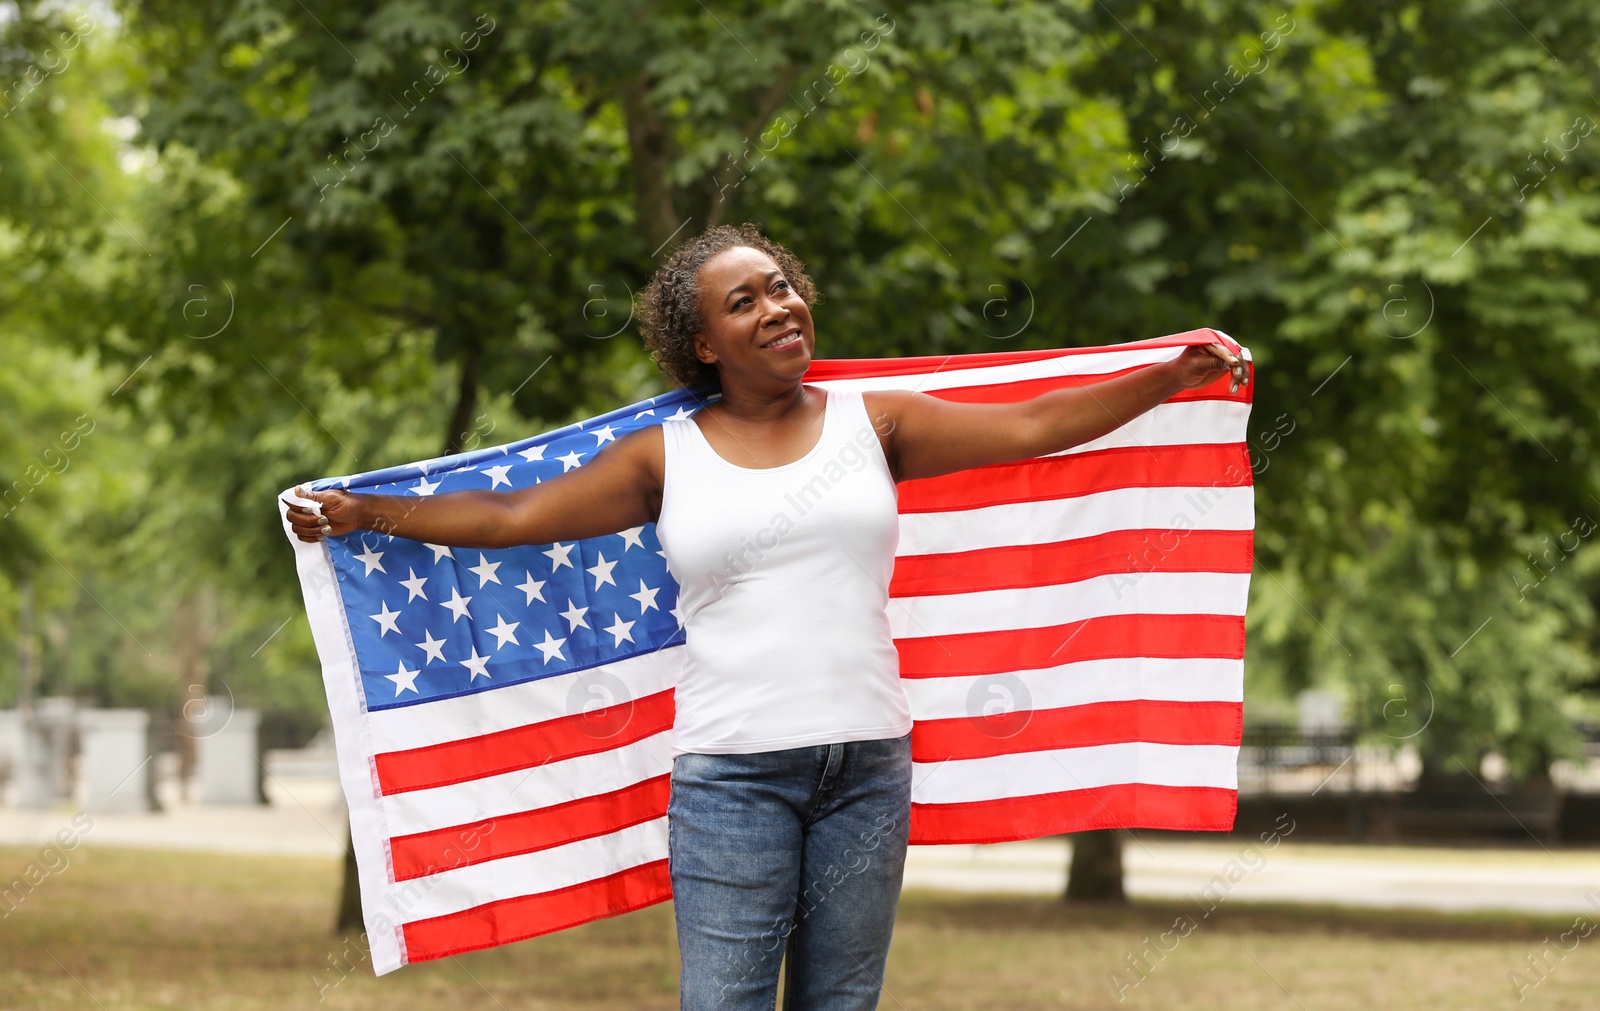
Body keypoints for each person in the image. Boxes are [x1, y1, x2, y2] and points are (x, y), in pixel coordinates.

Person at [283, 223, 1243, 1010]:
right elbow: (512, 515)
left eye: (782, 286)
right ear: (704, 344)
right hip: (733, 779)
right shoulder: (666, 456)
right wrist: (369, 514)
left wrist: (1170, 373)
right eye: (744, 300)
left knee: (842, 1003)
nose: (779, 306)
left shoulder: (878, 422)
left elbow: (1035, 427)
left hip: (869, 768)